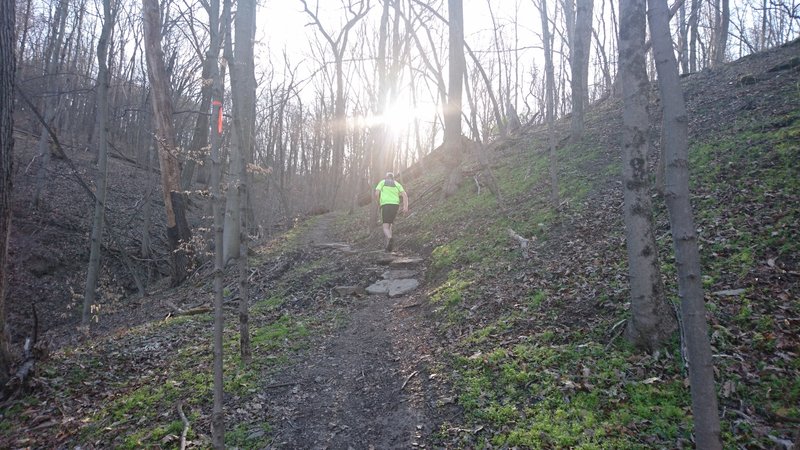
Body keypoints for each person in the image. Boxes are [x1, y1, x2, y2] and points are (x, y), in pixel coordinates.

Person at [374, 172, 408, 252]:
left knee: (385, 226)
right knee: (390, 224)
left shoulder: (382, 182)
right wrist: (405, 207)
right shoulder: (397, 184)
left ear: (386, 177)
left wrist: (378, 202)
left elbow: (376, 193)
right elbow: (405, 195)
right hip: (395, 205)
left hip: (385, 204)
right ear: (393, 178)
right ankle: (388, 247)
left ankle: (389, 238)